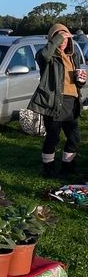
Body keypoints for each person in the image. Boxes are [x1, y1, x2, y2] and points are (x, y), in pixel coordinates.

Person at [28, 23, 87, 177]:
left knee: (74, 138)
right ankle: (48, 169)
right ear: (53, 39)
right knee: (53, 137)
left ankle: (67, 167)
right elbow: (44, 55)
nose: (64, 41)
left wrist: (80, 81)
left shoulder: (72, 57)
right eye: (60, 38)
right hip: (53, 102)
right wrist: (59, 37)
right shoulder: (47, 57)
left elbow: (73, 81)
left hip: (71, 103)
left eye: (66, 38)